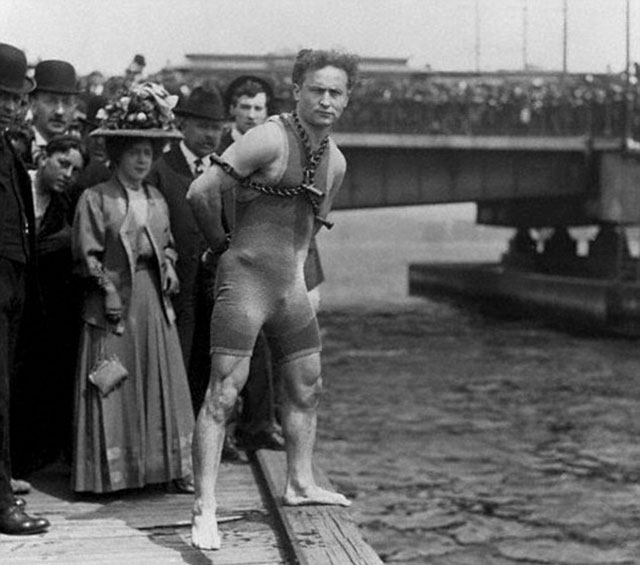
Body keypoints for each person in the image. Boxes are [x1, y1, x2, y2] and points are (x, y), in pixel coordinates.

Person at [187, 48, 359, 550]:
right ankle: (205, 508)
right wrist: (222, 249)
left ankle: (300, 482)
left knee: (309, 385)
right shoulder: (268, 137)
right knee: (223, 393)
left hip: (290, 288)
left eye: (336, 92)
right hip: (244, 283)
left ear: (347, 99)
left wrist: (301, 288)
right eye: (317, 89)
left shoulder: (337, 163)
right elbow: (201, 191)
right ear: (298, 89)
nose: (326, 100)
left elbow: (307, 234)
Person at [71, 82, 194, 493]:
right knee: (112, 382)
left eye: (148, 153)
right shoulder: (96, 198)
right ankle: (109, 476)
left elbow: (169, 243)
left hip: (152, 298)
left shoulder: (157, 198)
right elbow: (85, 255)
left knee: (160, 379)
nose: (142, 161)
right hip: (113, 302)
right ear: (119, 155)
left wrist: (171, 265)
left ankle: (165, 468)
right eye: (135, 153)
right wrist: (105, 288)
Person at [146, 87, 229, 417]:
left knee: (209, 365)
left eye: (217, 127)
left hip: (211, 289)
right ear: (183, 125)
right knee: (174, 358)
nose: (211, 135)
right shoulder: (161, 169)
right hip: (173, 288)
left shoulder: (225, 171)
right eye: (203, 126)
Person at [11, 136, 85, 477]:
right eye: (62, 163)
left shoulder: (64, 205)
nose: (67, 173)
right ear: (42, 158)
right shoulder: (14, 186)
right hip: (8, 293)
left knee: (34, 379)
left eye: (75, 169)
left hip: (40, 307)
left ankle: (25, 458)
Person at [0, 41, 50, 536]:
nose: (16, 107)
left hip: (11, 283)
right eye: (6, 98)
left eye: (18, 99)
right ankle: (1, 505)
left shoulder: (8, 148)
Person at [28, 60, 80, 167]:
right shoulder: (14, 151)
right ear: (33, 104)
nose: (59, 111)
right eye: (50, 101)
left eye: (67, 102)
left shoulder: (82, 159)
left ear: (75, 108)